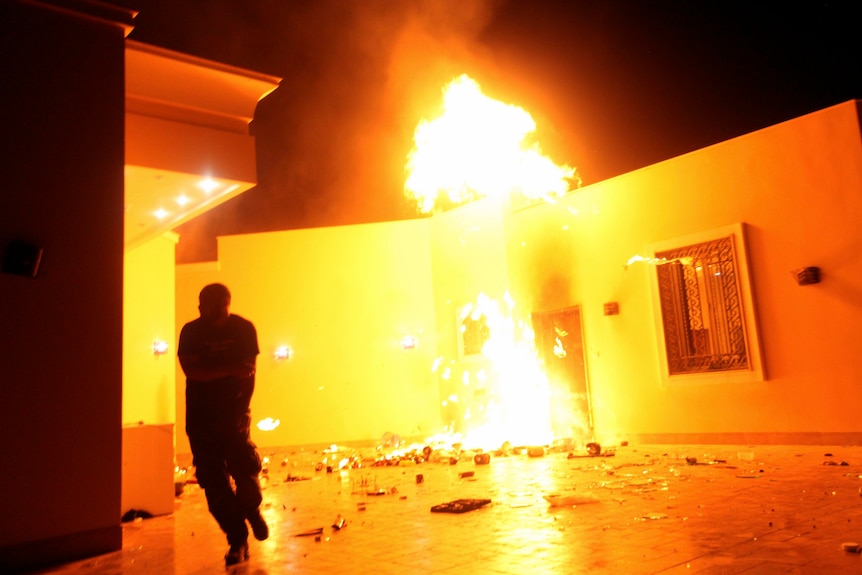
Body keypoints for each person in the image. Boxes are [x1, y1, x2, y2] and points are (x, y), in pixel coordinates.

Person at [178, 283, 268, 566]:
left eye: (222, 302)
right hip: (201, 420)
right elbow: (192, 371)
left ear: (229, 302)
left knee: (247, 473)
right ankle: (237, 539)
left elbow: (249, 373)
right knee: (214, 484)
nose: (216, 308)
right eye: (210, 303)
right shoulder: (191, 332)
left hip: (234, 416)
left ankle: (250, 509)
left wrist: (243, 409)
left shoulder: (243, 329)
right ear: (200, 305)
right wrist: (229, 369)